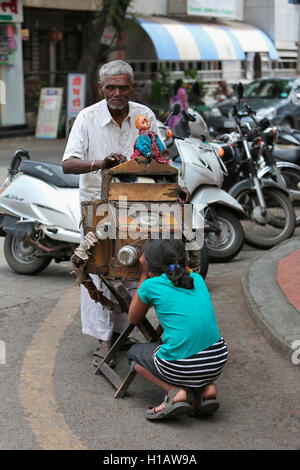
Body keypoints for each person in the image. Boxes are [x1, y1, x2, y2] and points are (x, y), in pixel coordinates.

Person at [62, 60, 190, 367]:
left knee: (135, 271)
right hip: (99, 211)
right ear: (101, 89)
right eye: (111, 87)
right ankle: (103, 340)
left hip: (141, 208)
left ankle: (125, 332)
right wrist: (100, 163)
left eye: (123, 87)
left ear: (131, 88)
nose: (117, 92)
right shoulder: (87, 118)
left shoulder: (144, 115)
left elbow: (162, 156)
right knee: (100, 270)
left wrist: (179, 184)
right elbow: (68, 164)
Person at [127, 238, 228, 421]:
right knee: (189, 350)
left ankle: (175, 392)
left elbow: (133, 318)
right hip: (217, 359)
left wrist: (144, 274)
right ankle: (205, 390)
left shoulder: (151, 285)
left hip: (180, 366)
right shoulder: (196, 278)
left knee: (134, 354)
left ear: (150, 262)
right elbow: (174, 270)